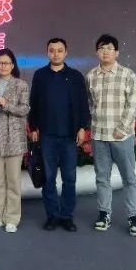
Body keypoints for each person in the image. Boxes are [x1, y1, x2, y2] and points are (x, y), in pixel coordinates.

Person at [28, 37, 90, 232]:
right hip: (47, 136)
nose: (55, 54)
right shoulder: (40, 75)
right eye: (52, 50)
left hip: (69, 136)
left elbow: (83, 104)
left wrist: (82, 127)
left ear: (66, 52)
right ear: (47, 52)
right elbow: (33, 102)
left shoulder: (75, 76)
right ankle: (52, 216)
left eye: (59, 50)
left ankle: (67, 216)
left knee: (69, 179)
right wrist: (33, 127)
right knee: (48, 178)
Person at [86, 34, 136, 237]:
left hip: (122, 136)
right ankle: (104, 214)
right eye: (101, 48)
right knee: (102, 178)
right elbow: (90, 104)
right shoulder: (91, 76)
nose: (105, 52)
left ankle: (133, 216)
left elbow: (133, 104)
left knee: (129, 178)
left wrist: (123, 128)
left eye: (109, 48)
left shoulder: (127, 74)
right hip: (99, 136)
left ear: (117, 52)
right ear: (97, 52)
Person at [0, 48, 29, 234]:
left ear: (12, 65)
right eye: (0, 63)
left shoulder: (21, 85)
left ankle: (12, 218)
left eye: (6, 63)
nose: (3, 66)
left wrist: (6, 104)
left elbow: (25, 109)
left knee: (13, 181)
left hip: (13, 138)